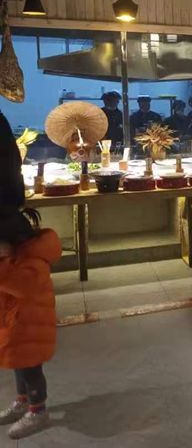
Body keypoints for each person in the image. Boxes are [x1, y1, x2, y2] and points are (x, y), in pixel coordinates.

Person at [0, 112, 61, 440]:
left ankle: (38, 409)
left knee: (27, 360)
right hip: (15, 320)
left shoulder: (26, 260)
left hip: (27, 322)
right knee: (16, 355)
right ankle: (23, 401)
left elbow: (21, 283)